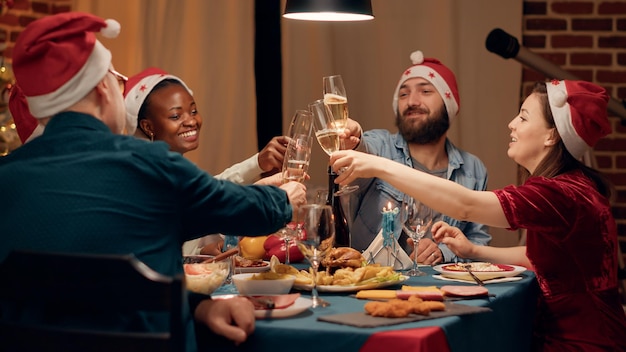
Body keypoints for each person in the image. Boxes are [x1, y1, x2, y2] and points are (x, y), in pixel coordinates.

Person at [0, 12, 307, 351]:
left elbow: (82, 298)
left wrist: (198, 308)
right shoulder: (149, 165)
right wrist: (285, 200)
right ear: (104, 88)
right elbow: (239, 207)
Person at [331, 79, 626, 350]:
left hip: (580, 343)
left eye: (523, 117)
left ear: (551, 135)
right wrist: (473, 250)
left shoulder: (561, 193)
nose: (511, 124)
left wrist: (379, 165)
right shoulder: (570, 187)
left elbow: (466, 205)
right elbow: (541, 257)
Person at [342, 50, 491, 264]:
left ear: (449, 105)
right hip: (371, 281)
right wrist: (354, 140)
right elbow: (364, 150)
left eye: (425, 91)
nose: (412, 101)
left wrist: (443, 254)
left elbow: (479, 241)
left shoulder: (473, 169)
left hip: (440, 290)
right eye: (403, 94)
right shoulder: (382, 146)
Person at [123, 67, 291, 256]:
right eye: (176, 116)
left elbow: (194, 205)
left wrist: (200, 251)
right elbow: (207, 202)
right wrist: (275, 197)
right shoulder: (147, 173)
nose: (191, 121)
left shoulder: (162, 165)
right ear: (147, 126)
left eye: (193, 111)